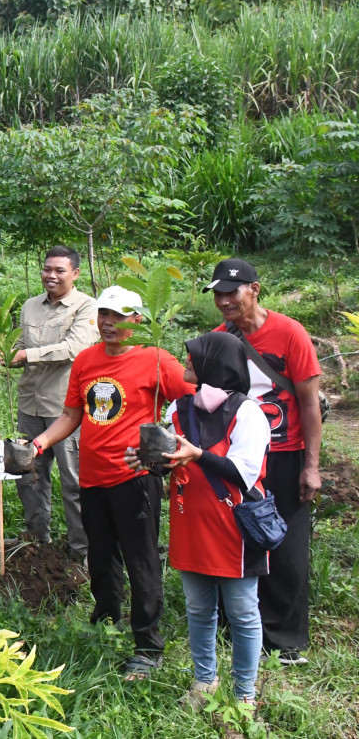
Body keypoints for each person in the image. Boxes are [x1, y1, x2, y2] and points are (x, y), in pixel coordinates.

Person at [31, 286, 194, 681]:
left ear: (136, 320)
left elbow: (192, 400)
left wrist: (176, 445)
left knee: (141, 560)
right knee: (101, 557)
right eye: (104, 315)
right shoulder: (86, 360)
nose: (109, 323)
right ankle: (105, 621)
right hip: (93, 477)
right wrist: (39, 443)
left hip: (135, 477)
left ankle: (147, 644)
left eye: (119, 316)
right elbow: (72, 415)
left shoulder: (156, 360)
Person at [127, 331, 270, 708]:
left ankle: (244, 695)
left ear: (214, 364)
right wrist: (149, 462)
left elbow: (244, 473)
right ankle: (204, 681)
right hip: (190, 520)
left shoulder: (247, 413)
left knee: (242, 611)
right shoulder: (180, 409)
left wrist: (197, 454)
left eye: (192, 357)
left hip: (233, 527)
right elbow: (173, 461)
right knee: (198, 608)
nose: (185, 361)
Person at [205, 258, 322, 666]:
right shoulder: (220, 337)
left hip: (285, 453)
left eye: (231, 292)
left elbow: (309, 404)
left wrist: (312, 464)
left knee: (286, 545)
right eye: (217, 294)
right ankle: (238, 623)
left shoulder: (290, 333)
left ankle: (286, 637)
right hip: (238, 457)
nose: (223, 301)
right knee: (237, 539)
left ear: (254, 289)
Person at [0, 246, 98, 561]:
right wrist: (2, 356)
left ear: (75, 274)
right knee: (29, 474)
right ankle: (38, 539)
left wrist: (27, 355)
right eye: (47, 269)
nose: (51, 275)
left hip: (65, 409)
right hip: (30, 405)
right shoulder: (29, 306)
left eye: (59, 270)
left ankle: (82, 552)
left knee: (73, 481)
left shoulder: (87, 307)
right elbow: (20, 346)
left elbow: (75, 348)